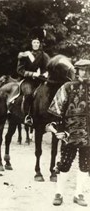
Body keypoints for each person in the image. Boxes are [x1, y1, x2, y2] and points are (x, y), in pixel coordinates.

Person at [46, 59, 90, 207]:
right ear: (77, 71)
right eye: (82, 70)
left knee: (85, 165)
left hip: (88, 134)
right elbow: (56, 109)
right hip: (69, 134)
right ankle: (59, 193)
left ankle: (79, 194)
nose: (85, 72)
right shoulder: (67, 87)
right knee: (64, 164)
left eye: (87, 70)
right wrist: (59, 130)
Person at [14, 27, 50, 126]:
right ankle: (27, 116)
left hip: (40, 81)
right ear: (31, 43)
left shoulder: (44, 56)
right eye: (34, 42)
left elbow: (47, 68)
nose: (36, 44)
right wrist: (32, 74)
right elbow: (19, 70)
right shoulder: (24, 55)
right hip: (27, 81)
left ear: (40, 44)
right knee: (29, 93)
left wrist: (46, 73)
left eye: (37, 43)